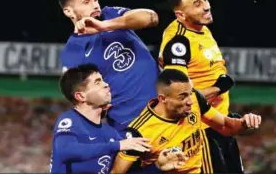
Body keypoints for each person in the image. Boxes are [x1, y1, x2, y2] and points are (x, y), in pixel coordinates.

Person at [158, 0, 244, 173]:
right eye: (197, 4)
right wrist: (219, 87)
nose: (206, 6)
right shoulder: (178, 42)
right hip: (202, 131)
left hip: (220, 126)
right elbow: (177, 96)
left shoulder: (202, 29)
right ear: (181, 15)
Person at [58, 0, 160, 137]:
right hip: (130, 126)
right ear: (69, 12)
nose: (95, 5)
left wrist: (106, 25)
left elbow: (151, 18)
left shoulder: (110, 15)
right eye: (86, 2)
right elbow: (80, 98)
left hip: (166, 109)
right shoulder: (73, 51)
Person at [111, 69, 262, 173]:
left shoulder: (195, 100)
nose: (190, 101)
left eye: (190, 93)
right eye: (182, 97)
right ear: (163, 99)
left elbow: (224, 126)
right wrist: (157, 167)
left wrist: (244, 123)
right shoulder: (140, 132)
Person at [51, 64, 187, 174]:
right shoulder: (70, 120)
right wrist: (118, 145)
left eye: (103, 80)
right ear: (81, 96)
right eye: (97, 82)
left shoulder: (111, 134)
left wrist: (157, 167)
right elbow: (65, 151)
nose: (106, 84)